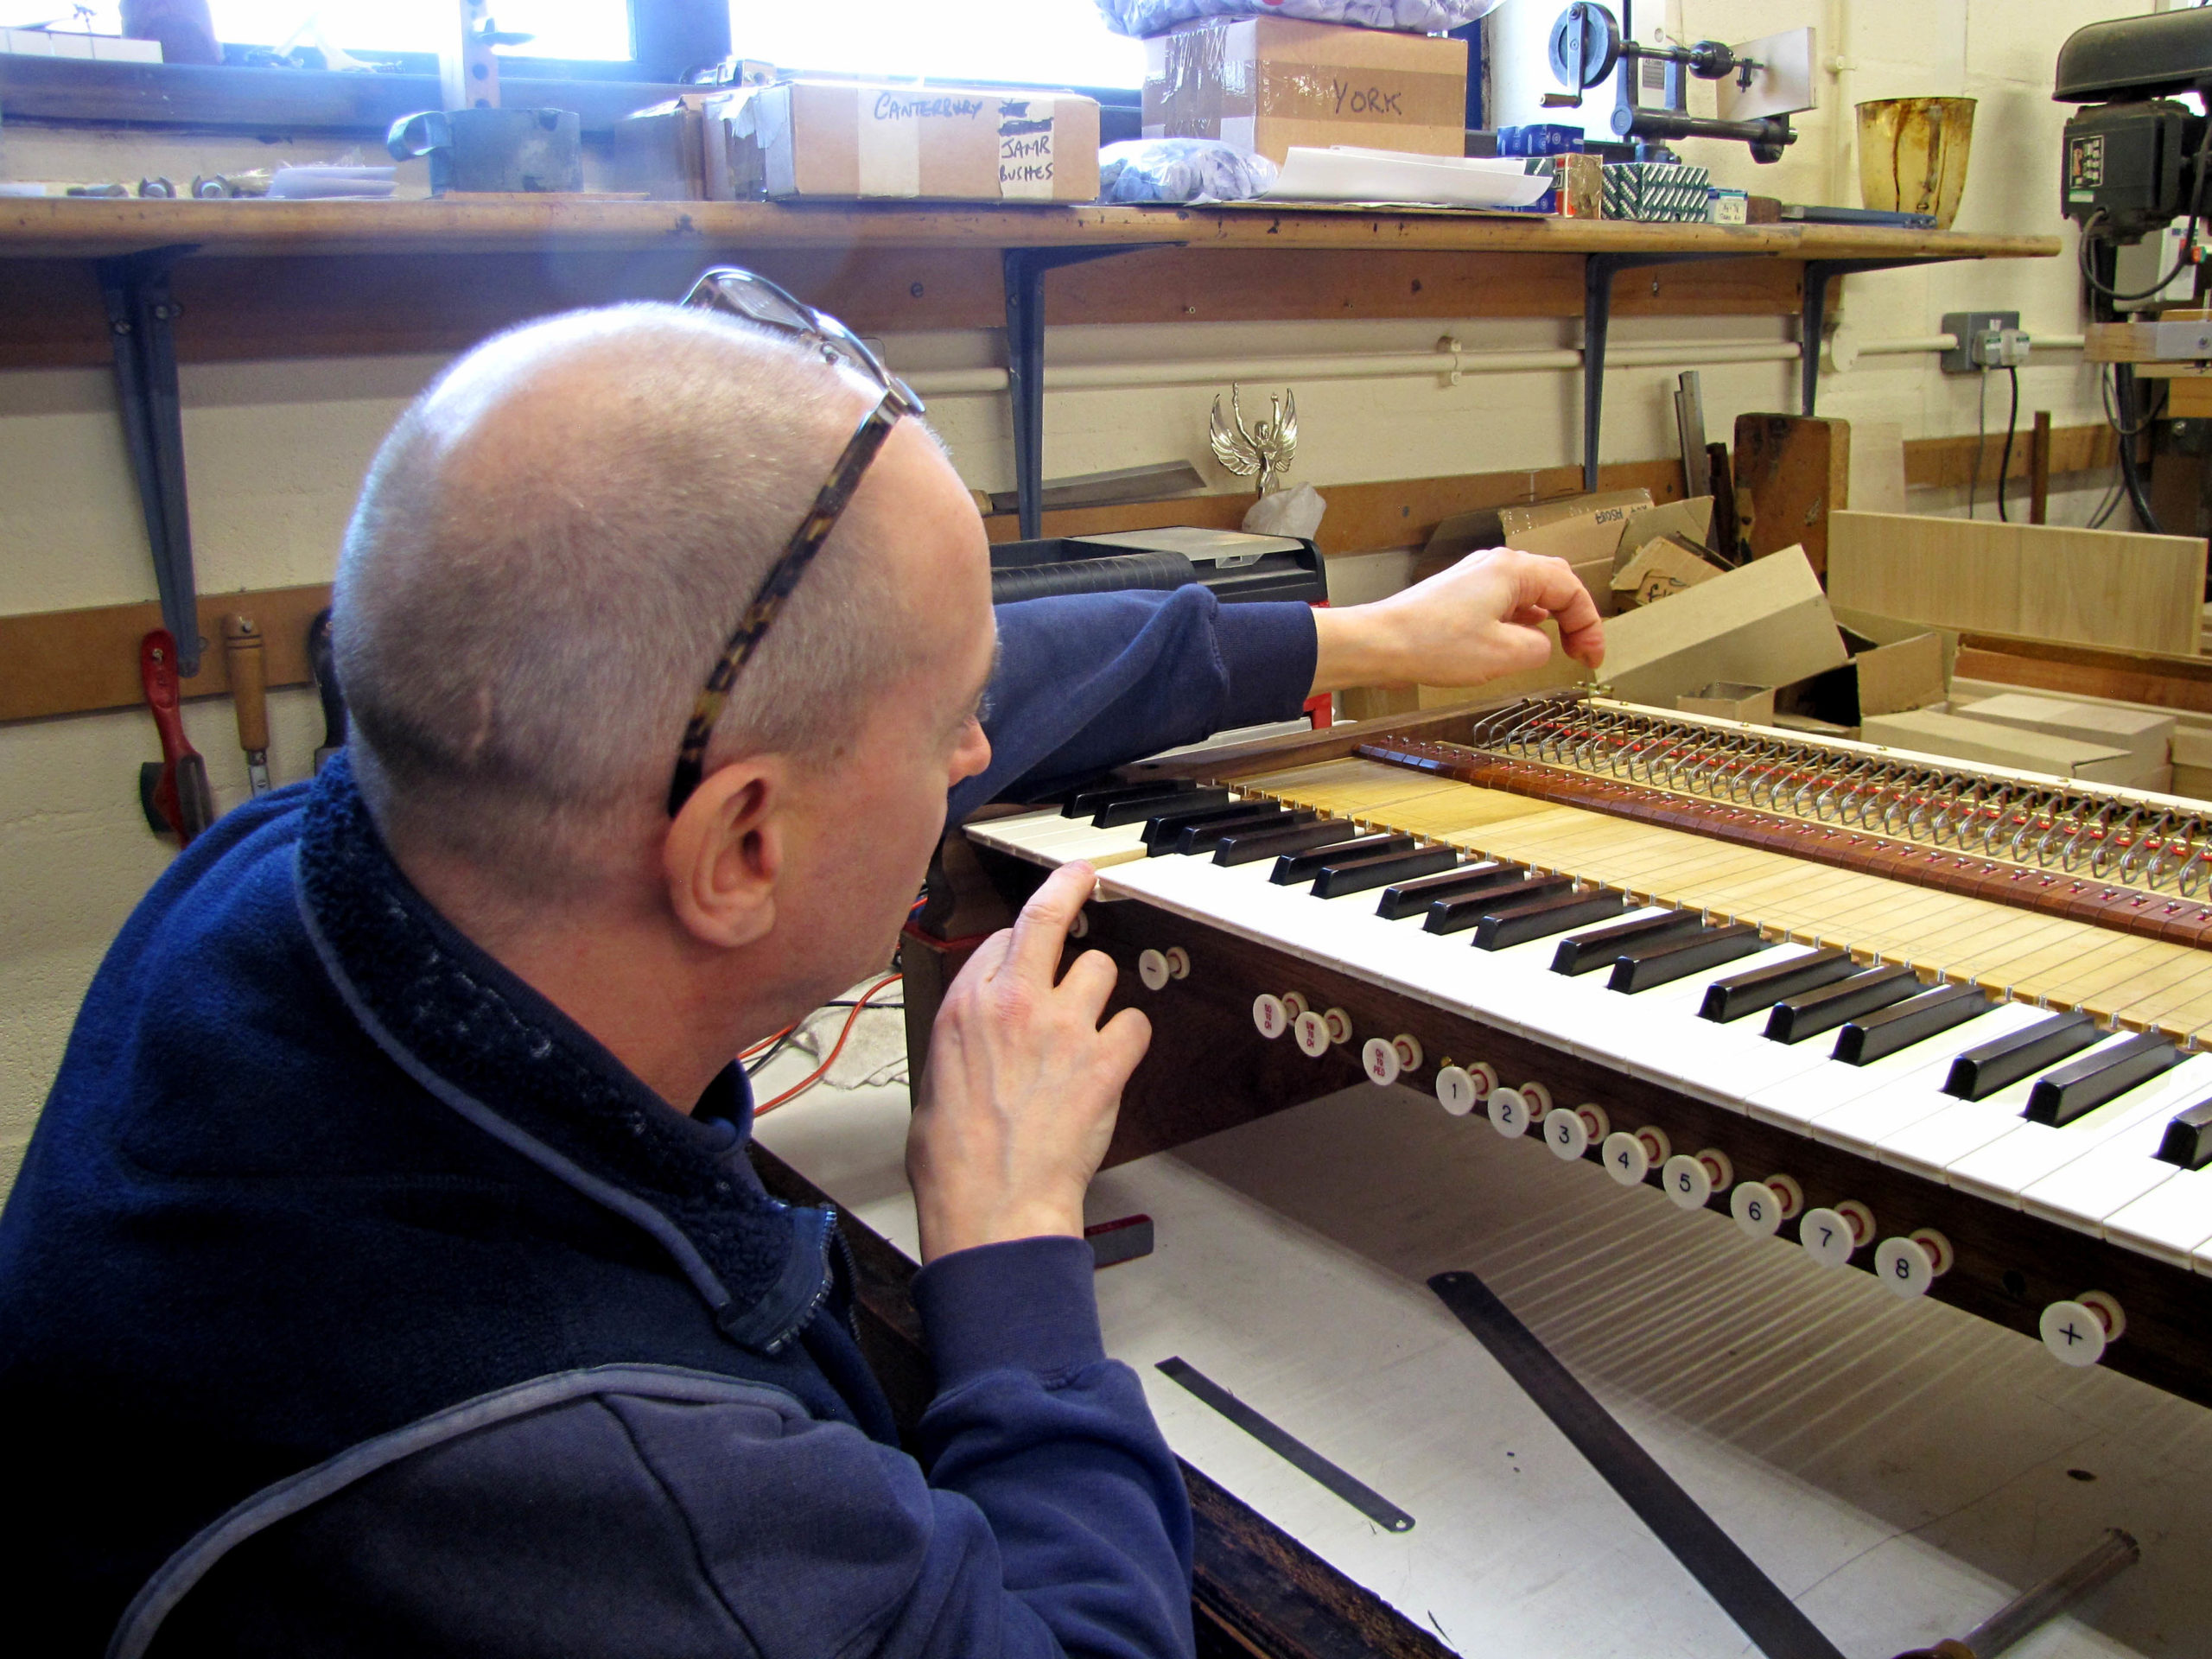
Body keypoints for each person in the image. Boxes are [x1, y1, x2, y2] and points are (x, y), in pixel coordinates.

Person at [0, 274, 1604, 1656]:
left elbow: (950, 684)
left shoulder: (313, 859)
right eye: (948, 726)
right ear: (744, 847)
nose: (980, 752)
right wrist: (1009, 1239)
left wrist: (1366, 638)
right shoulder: (625, 1490)